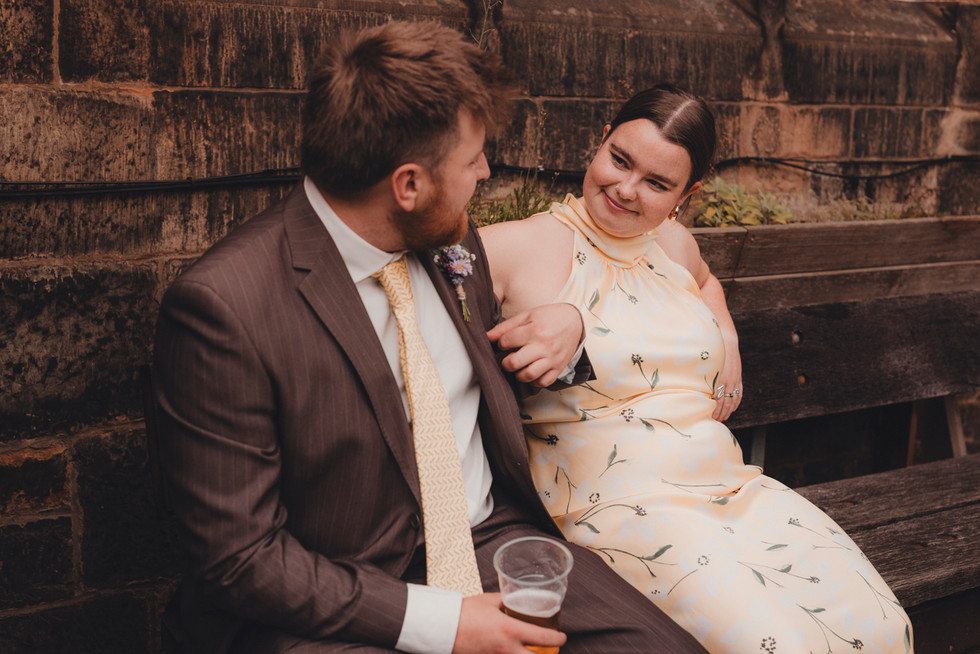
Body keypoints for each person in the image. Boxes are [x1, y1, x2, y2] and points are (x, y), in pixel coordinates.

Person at [152, 22, 709, 654]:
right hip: (332, 598)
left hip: (494, 542)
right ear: (409, 185)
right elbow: (241, 561)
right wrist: (447, 624)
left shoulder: (451, 241)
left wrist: (574, 332)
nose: (486, 170)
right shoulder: (224, 308)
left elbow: (495, 378)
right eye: (472, 159)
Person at [479, 85, 913, 654]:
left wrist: (725, 332)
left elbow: (706, 281)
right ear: (601, 138)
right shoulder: (515, 248)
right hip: (621, 504)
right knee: (775, 645)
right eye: (619, 159)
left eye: (657, 184)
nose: (625, 189)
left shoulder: (673, 245)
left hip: (730, 486)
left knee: (881, 627)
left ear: (688, 193)